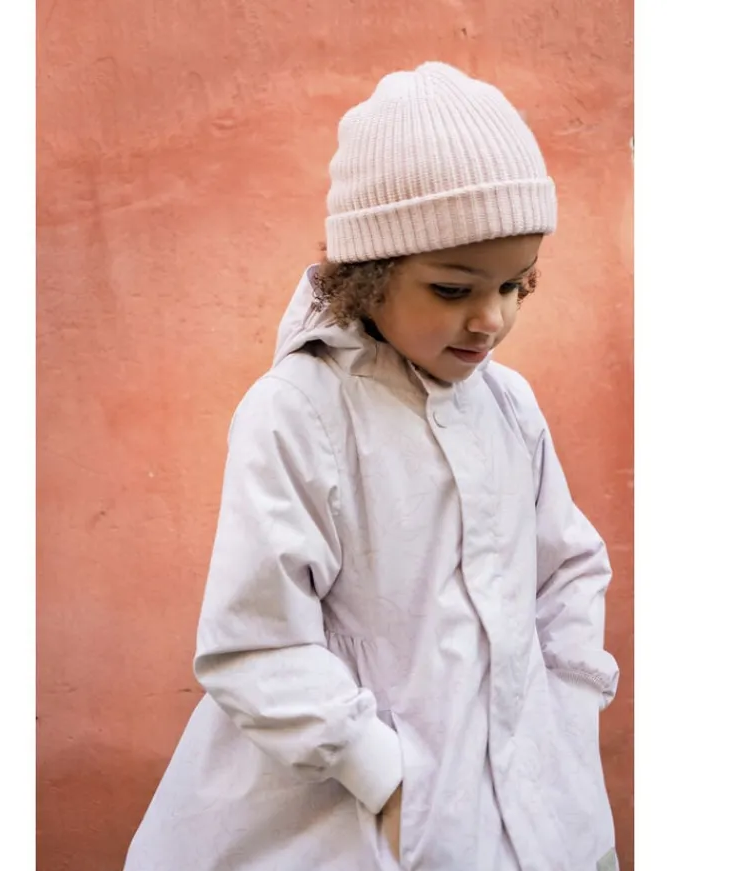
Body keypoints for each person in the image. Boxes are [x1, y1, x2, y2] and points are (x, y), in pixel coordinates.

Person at [124, 61, 620, 871]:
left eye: (515, 285)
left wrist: (562, 709)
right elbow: (255, 641)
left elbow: (569, 566)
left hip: (517, 802)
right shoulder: (298, 414)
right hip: (342, 814)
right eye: (453, 288)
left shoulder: (509, 407)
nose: (490, 318)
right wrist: (385, 779)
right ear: (369, 276)